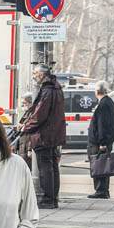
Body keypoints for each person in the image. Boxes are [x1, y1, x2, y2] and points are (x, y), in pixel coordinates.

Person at [20, 64, 66, 209]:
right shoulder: (56, 88)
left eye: (35, 73)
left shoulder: (47, 90)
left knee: (45, 168)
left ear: (41, 74)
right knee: (52, 166)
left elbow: (40, 114)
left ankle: (48, 199)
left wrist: (25, 127)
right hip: (53, 134)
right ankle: (53, 198)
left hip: (44, 135)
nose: (34, 76)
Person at [87, 80, 114, 199]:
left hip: (99, 143)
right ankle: (103, 190)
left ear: (98, 91)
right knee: (103, 165)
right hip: (102, 141)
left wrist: (102, 143)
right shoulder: (108, 102)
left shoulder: (103, 104)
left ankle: (101, 191)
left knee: (99, 165)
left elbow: (102, 125)